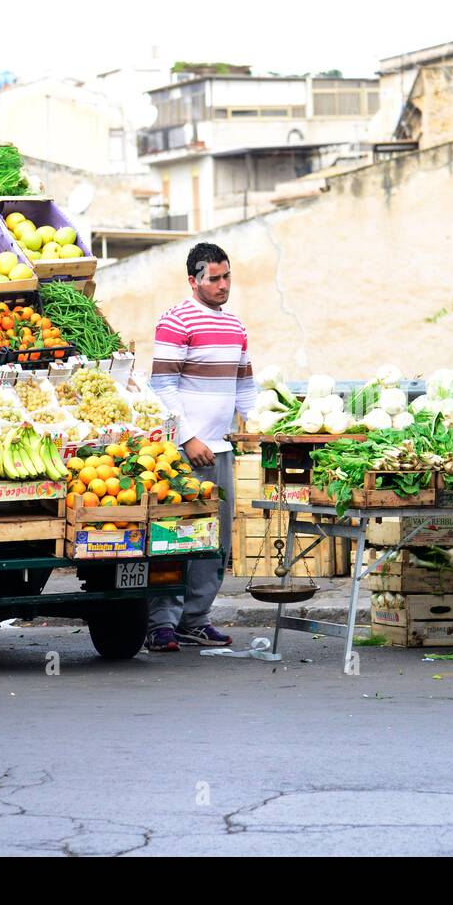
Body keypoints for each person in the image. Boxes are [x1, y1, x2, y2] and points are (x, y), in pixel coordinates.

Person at [145, 242, 257, 652]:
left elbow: (244, 383)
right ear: (193, 280)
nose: (223, 285)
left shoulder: (236, 326)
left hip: (222, 450)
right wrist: (186, 438)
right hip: (181, 452)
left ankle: (196, 619)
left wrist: (257, 427)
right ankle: (161, 623)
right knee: (174, 537)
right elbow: (162, 386)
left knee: (214, 541)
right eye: (214, 278)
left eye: (227, 277)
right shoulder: (175, 320)